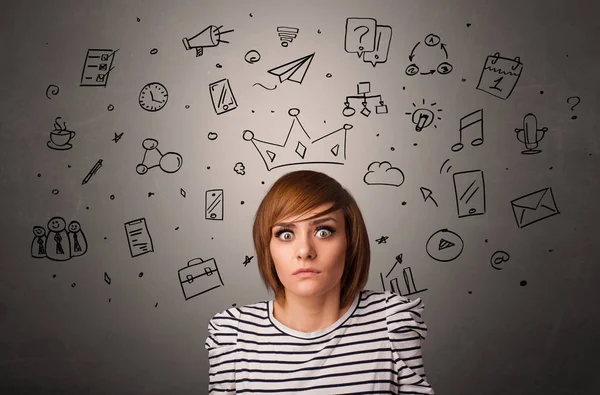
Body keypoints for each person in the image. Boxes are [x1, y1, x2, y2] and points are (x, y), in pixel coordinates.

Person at [206, 170, 435, 394]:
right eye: (286, 234)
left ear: (350, 242)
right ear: (267, 248)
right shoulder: (233, 334)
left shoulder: (391, 322)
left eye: (323, 231)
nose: (305, 251)